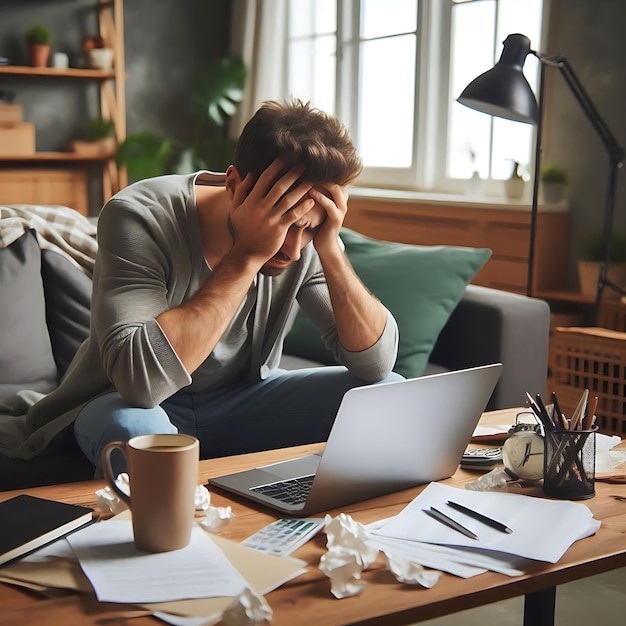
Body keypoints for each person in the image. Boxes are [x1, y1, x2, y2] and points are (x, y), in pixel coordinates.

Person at [2, 99, 400, 476]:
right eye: (285, 224)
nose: (295, 249)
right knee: (138, 435)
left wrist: (330, 249)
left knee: (389, 396)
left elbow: (377, 364)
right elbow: (141, 384)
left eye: (310, 228)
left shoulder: (308, 242)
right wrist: (246, 257)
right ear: (234, 185)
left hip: (241, 403)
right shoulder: (140, 216)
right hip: (126, 404)